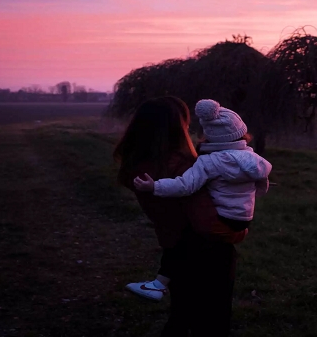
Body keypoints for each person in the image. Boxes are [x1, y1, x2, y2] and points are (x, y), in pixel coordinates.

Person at [114, 96, 244, 336]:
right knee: (213, 322)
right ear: (177, 127)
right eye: (185, 123)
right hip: (208, 253)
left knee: (181, 315)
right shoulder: (183, 167)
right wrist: (237, 231)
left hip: (174, 248)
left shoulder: (137, 164)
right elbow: (207, 223)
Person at [132, 99, 272, 293]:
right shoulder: (256, 160)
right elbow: (261, 183)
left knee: (182, 242)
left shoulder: (208, 162)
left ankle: (159, 284)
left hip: (220, 222)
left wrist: (155, 186)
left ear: (208, 136)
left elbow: (184, 185)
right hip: (243, 219)